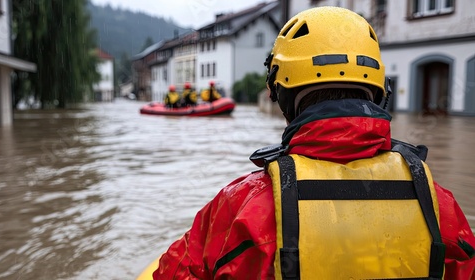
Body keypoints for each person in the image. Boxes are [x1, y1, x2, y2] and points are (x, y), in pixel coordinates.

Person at [153, 7, 475, 279]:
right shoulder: (437, 203)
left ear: (281, 95)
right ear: (380, 91)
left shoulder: (242, 207)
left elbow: (174, 271)